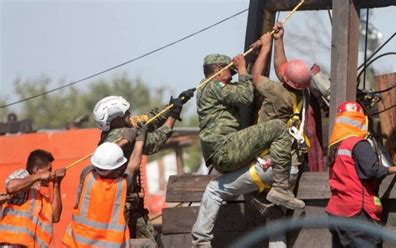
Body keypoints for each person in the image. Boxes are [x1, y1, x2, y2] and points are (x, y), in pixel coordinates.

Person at [192, 23, 312, 248]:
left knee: (216, 189)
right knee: (275, 224)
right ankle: (277, 193)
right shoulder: (300, 93)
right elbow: (281, 66)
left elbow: (254, 79)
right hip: (290, 168)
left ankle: (200, 242)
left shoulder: (276, 92)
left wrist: (262, 50)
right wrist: (277, 41)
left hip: (269, 167)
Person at [197, 50, 304, 210]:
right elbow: (246, 96)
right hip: (281, 165)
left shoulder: (207, 87)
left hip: (253, 159)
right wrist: (242, 68)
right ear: (219, 69)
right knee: (278, 128)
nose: (232, 76)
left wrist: (256, 55)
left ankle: (267, 198)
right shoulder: (214, 85)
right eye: (230, 71)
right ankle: (280, 190)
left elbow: (254, 79)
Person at [92, 91, 193, 245]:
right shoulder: (120, 135)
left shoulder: (112, 132)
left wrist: (172, 105)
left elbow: (148, 120)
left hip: (125, 206)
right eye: (127, 113)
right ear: (118, 119)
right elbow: (155, 141)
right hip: (126, 208)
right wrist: (173, 115)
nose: (130, 114)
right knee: (149, 243)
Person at [326, 101, 396, 248]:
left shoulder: (335, 147)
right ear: (361, 120)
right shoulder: (358, 143)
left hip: (336, 213)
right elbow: (371, 171)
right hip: (356, 213)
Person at [62, 123, 147, 247]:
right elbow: (133, 165)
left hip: (77, 243)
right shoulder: (121, 185)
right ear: (117, 170)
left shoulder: (86, 175)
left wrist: (124, 140)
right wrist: (140, 139)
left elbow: (103, 159)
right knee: (148, 244)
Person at [0, 149, 66, 247]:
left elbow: (55, 217)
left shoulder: (41, 197)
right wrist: (38, 176)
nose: (51, 173)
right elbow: (11, 187)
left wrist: (57, 183)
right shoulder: (23, 175)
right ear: (36, 170)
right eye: (49, 170)